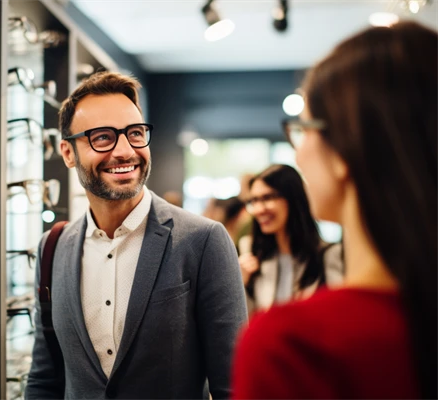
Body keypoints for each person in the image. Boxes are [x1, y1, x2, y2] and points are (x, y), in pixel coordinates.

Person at [232, 22, 438, 399]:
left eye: (304, 128)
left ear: (343, 150)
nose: (299, 149)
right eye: (254, 200)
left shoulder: (292, 346)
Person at [25, 71, 248, 400]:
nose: (126, 151)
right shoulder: (53, 247)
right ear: (68, 153)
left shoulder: (203, 241)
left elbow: (233, 386)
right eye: (103, 137)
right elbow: (45, 380)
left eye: (135, 133)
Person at [238, 164, 344, 315]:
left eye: (268, 197)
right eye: (254, 200)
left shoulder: (327, 255)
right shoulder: (253, 256)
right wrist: (241, 284)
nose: (258, 209)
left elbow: (338, 314)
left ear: (293, 198)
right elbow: (247, 322)